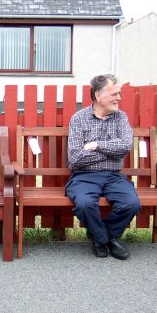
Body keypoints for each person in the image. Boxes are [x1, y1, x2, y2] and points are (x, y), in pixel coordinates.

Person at [65, 74, 140, 260]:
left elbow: (124, 147)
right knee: (84, 204)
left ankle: (102, 237)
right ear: (98, 96)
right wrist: (110, 152)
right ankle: (105, 239)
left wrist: (96, 145)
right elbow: (75, 158)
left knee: (131, 203)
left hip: (113, 176)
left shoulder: (121, 118)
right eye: (114, 94)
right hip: (84, 176)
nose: (119, 98)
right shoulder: (79, 119)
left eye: (119, 93)